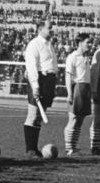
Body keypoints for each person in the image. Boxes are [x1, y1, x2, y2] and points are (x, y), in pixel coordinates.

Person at [23, 20, 58, 158]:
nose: (51, 30)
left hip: (48, 82)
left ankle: (34, 148)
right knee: (32, 115)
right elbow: (31, 66)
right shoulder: (34, 44)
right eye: (49, 28)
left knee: (38, 117)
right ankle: (30, 149)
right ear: (40, 29)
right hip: (39, 81)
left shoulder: (49, 45)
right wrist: (35, 86)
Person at [64, 33, 92, 156]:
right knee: (73, 118)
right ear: (80, 43)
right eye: (88, 42)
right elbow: (68, 76)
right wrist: (69, 94)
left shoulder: (86, 57)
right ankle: (68, 147)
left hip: (86, 88)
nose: (90, 45)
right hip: (77, 88)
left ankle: (74, 146)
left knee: (80, 120)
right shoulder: (72, 57)